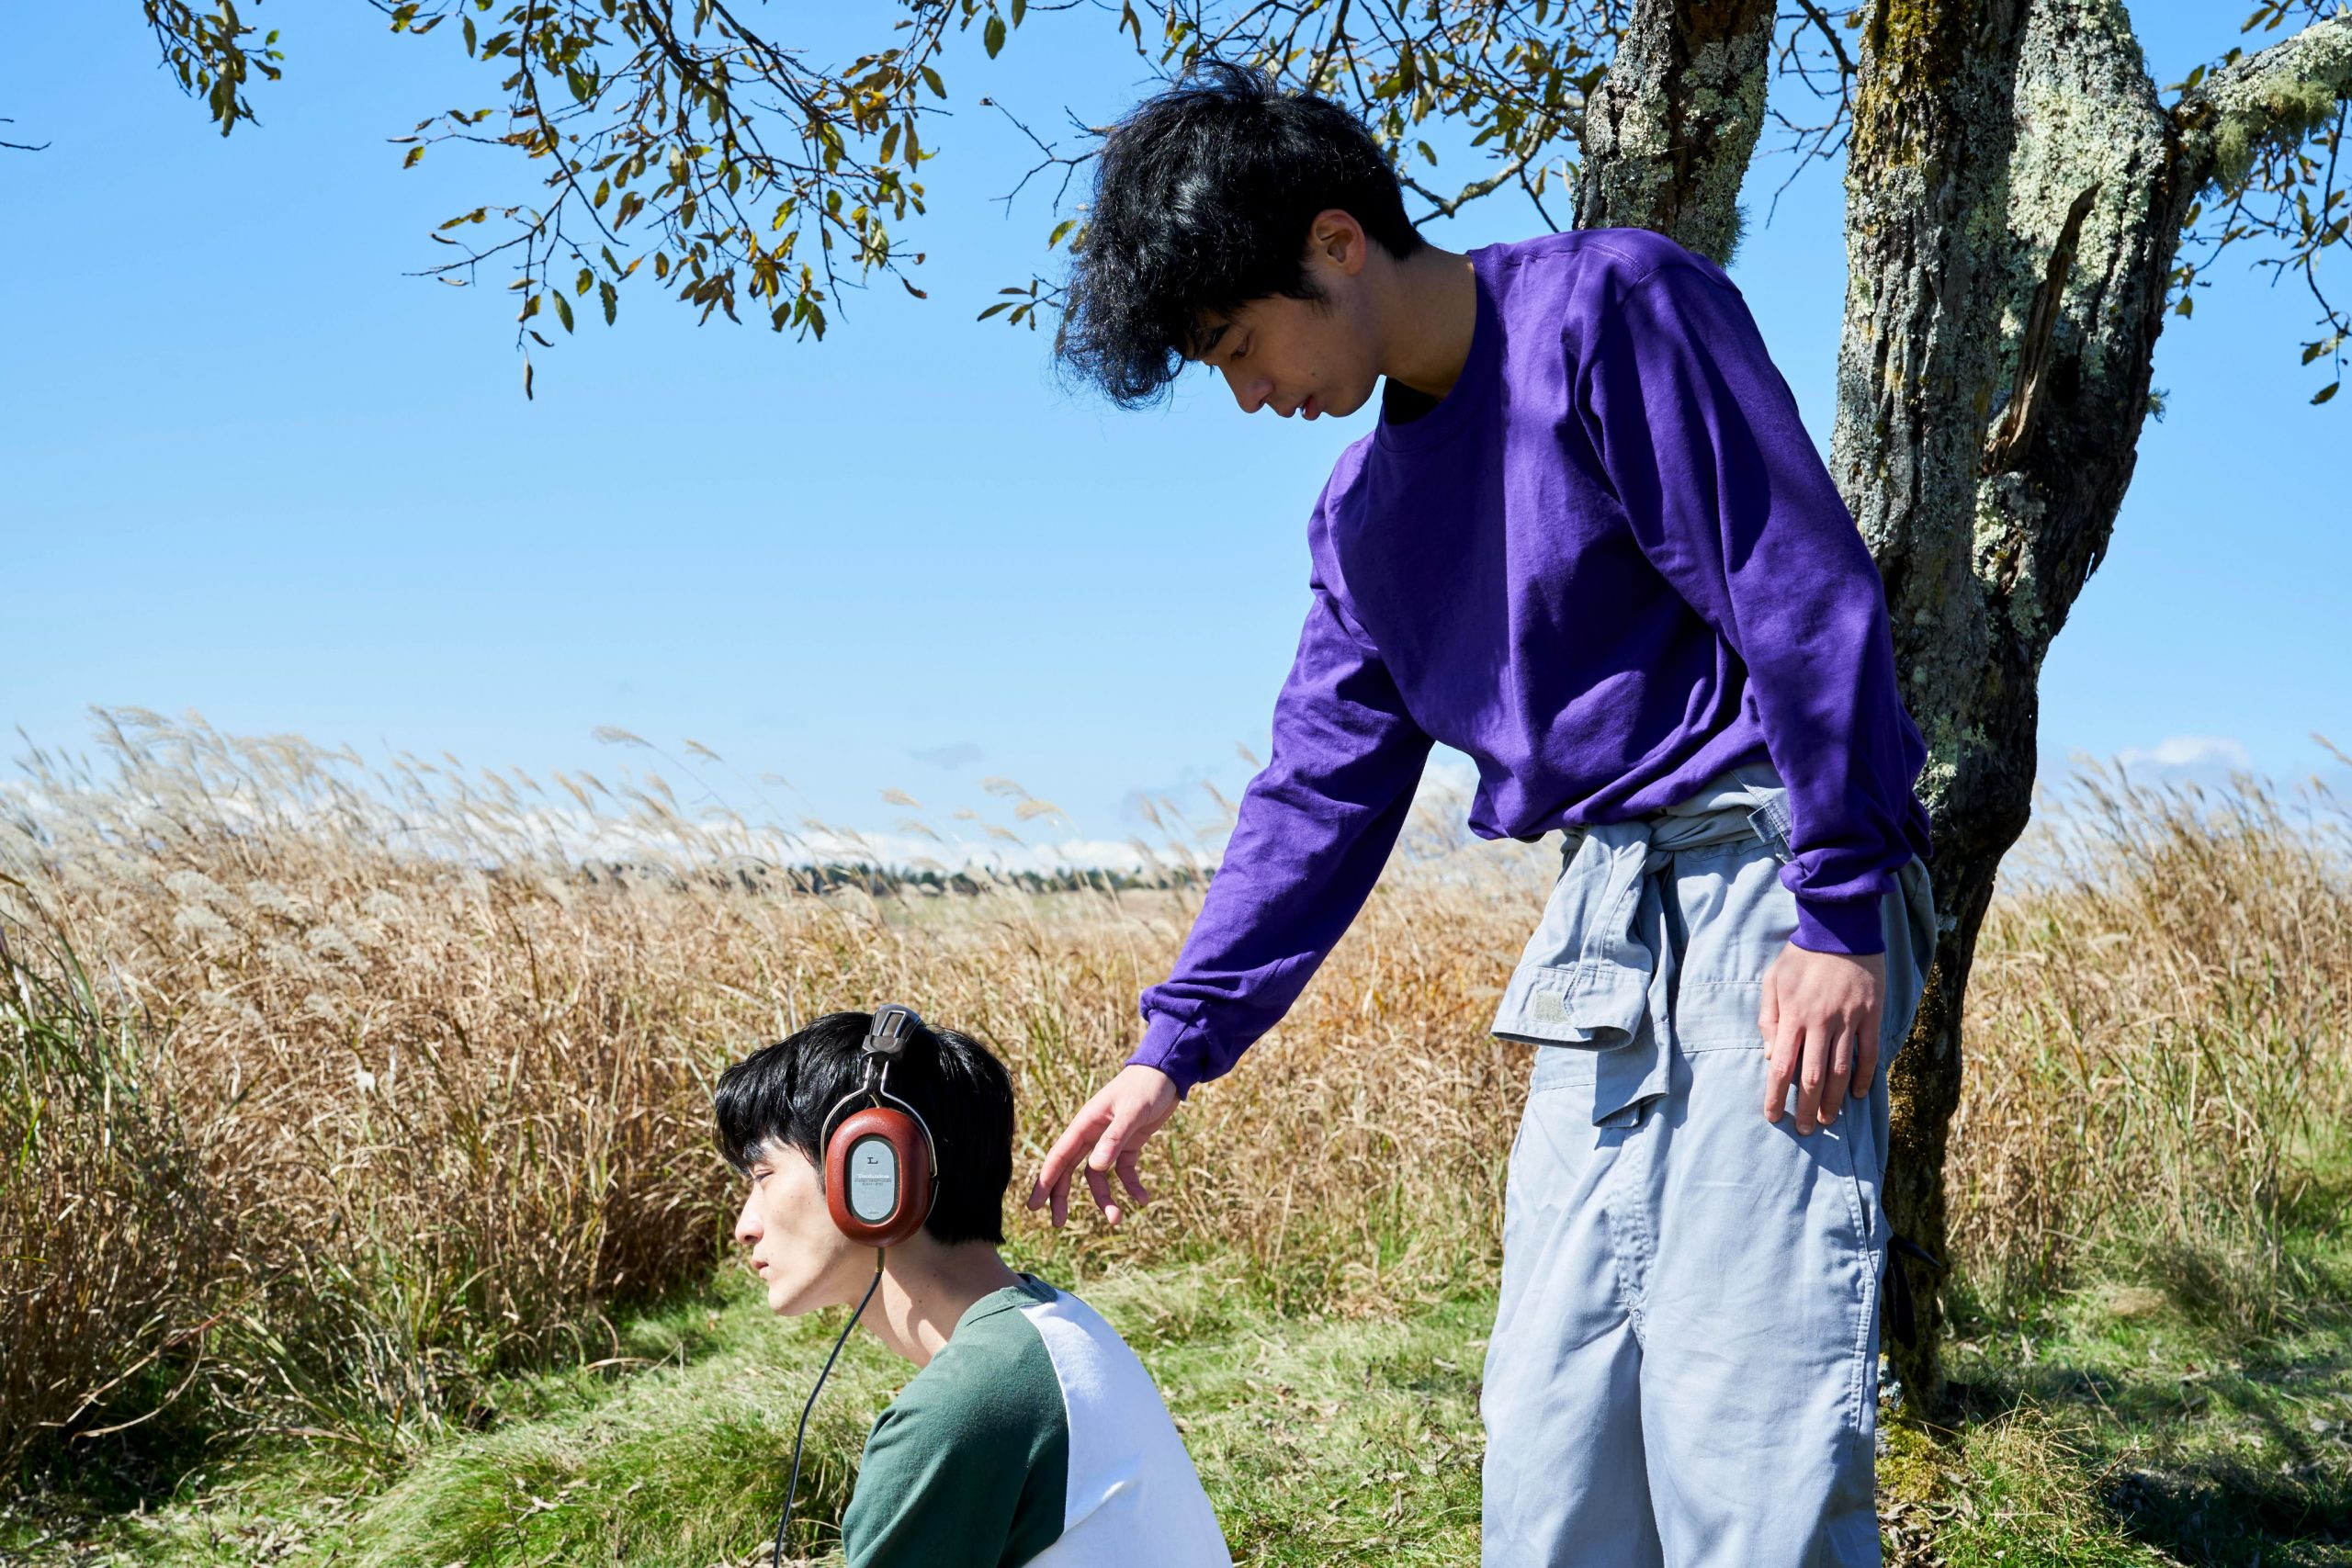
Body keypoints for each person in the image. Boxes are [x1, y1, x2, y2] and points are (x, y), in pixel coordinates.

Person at [1028, 62, 1938, 1568]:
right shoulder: (1361, 518)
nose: (1247, 395)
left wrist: (1839, 914)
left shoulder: (1610, 310)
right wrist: (1171, 1047)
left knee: (1751, 1447)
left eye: (1241, 345)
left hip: (1766, 880)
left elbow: (1802, 596)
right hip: (1597, 931)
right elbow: (1316, 790)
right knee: (1552, 1450)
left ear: (1336, 243)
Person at [718, 1009, 1231, 1568]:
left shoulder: (964, 1407)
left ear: (872, 1170)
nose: (745, 1227)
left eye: (763, 1176)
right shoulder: (1063, 1327)